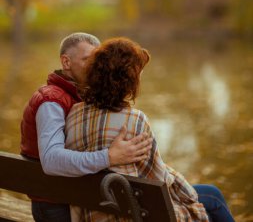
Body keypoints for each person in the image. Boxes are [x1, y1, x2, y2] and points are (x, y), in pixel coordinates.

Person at [65, 37, 235, 222]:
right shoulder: (134, 120)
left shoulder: (74, 114)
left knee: (207, 195)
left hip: (92, 213)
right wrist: (190, 197)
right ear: (128, 81)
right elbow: (160, 180)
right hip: (130, 215)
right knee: (212, 197)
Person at [20, 33, 152, 222]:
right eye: (87, 60)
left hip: (77, 199)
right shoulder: (51, 101)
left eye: (97, 61)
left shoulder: (81, 99)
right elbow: (51, 160)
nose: (95, 67)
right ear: (66, 62)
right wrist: (109, 157)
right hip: (54, 205)